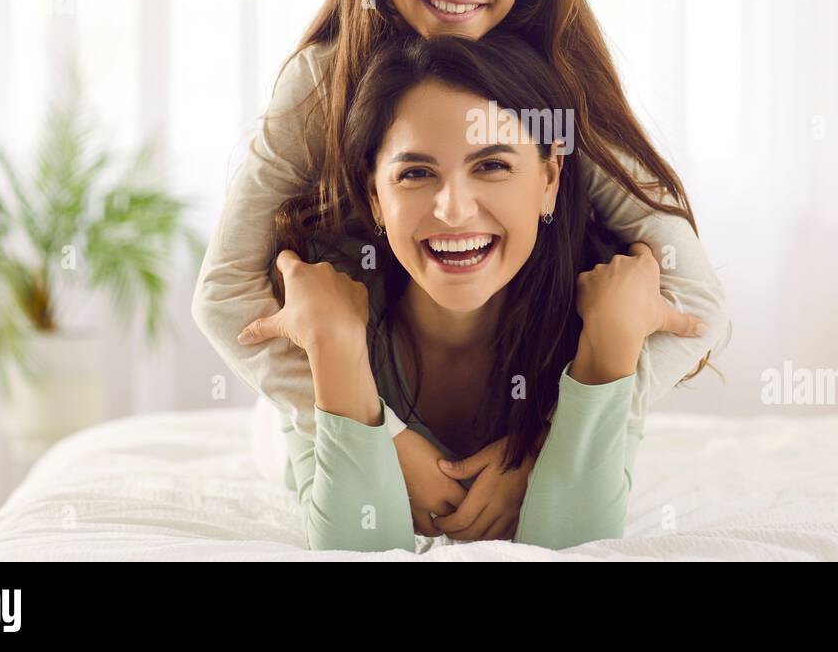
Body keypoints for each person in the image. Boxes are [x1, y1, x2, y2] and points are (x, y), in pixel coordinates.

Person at [193, 0, 731, 542]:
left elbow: (697, 297)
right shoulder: (324, 85)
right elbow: (223, 293)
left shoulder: (554, 93)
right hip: (354, 362)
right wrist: (374, 431)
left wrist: (547, 439)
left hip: (509, 378)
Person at [250, 31, 706, 551]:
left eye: (491, 166)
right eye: (416, 173)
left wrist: (610, 342)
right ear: (375, 198)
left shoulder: (603, 306)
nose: (454, 210)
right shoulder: (326, 297)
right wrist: (333, 341)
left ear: (550, 177)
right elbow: (359, 548)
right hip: (277, 437)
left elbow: (572, 545)